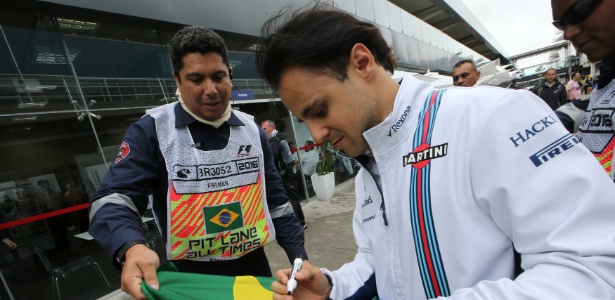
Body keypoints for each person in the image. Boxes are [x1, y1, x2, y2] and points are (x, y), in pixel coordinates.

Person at [257, 4, 615, 299]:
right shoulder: (368, 157)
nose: (317, 134)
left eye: (320, 111)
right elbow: (379, 260)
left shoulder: (493, 115)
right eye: (305, 119)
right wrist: (332, 287)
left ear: (362, 62)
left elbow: (594, 268)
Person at [88, 26, 307, 300]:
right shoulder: (151, 131)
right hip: (190, 280)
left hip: (254, 270)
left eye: (219, 77)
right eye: (195, 79)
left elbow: (277, 201)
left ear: (230, 75)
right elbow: (113, 199)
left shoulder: (252, 131)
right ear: (177, 81)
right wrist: (131, 246)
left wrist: (300, 258)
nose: (211, 90)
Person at [552, 0, 615, 179]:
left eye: (579, 10)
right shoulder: (606, 81)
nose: (568, 33)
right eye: (561, 24)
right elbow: (583, 108)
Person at [261, 120, 307, 229]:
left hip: (284, 176)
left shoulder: (274, 141)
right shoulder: (280, 138)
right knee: (292, 199)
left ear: (272, 128)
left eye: (264, 129)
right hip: (287, 173)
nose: (263, 131)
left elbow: (270, 161)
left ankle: (300, 223)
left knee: (291, 199)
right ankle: (299, 222)